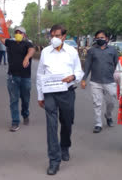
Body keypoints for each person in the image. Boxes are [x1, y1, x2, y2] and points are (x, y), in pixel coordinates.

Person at [37, 24, 84, 175]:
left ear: (64, 36)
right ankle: (54, 160)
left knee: (67, 121)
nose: (54, 38)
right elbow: (40, 74)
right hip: (50, 93)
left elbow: (79, 71)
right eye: (52, 36)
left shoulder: (72, 52)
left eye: (57, 35)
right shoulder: (45, 52)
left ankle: (65, 146)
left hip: (67, 92)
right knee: (51, 126)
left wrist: (74, 77)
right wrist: (40, 95)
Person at [81, 30, 118, 133]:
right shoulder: (92, 51)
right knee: (97, 103)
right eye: (97, 37)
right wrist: (84, 79)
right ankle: (98, 124)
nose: (99, 39)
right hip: (95, 82)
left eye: (102, 37)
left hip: (110, 81)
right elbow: (87, 66)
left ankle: (108, 115)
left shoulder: (113, 50)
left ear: (106, 39)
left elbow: (116, 65)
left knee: (111, 102)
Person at [0, 26, 35, 132]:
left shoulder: (28, 43)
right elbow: (1, 37)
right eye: (16, 32)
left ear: (24, 34)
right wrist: (5, 27)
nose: (18, 34)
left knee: (25, 99)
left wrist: (27, 57)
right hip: (12, 77)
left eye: (20, 32)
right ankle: (15, 122)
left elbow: (32, 50)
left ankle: (25, 114)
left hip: (25, 77)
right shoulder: (11, 43)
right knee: (13, 100)